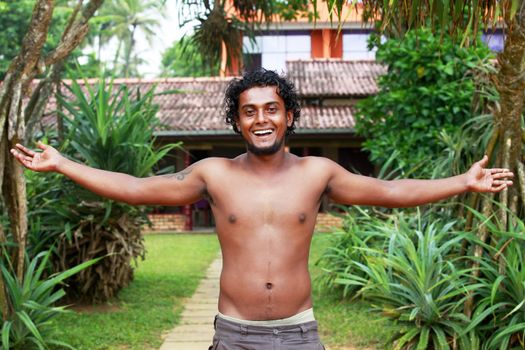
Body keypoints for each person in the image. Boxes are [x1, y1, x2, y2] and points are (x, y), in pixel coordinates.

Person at [11, 69, 513, 350]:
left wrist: (462, 182)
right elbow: (138, 187)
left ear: (288, 115)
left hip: (299, 333)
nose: (261, 119)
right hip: (233, 336)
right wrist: (64, 164)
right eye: (249, 111)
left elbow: (391, 191)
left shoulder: (319, 173)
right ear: (238, 122)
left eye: (271, 108)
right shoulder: (215, 174)